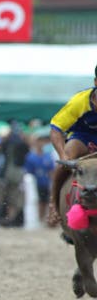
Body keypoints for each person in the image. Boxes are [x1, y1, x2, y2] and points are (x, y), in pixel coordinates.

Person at [48, 69, 97, 223]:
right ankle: (54, 205)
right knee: (67, 157)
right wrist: (63, 156)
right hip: (82, 137)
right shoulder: (80, 101)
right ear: (96, 82)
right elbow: (56, 129)